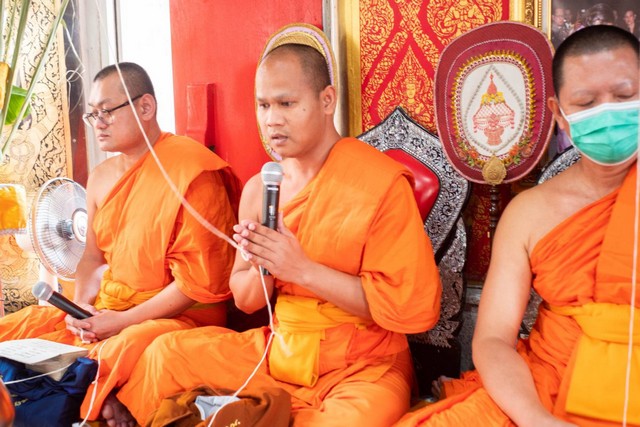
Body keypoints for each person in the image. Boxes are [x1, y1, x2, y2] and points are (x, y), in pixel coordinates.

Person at [110, 23, 442, 427]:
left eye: (286, 104)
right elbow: (248, 301)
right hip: (277, 351)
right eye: (263, 105)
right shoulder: (260, 189)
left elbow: (410, 308)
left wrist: (300, 269)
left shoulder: (378, 184)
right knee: (166, 356)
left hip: (362, 366)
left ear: (326, 100)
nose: (272, 120)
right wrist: (263, 266)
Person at [394, 24, 640, 426]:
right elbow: (492, 339)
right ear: (559, 114)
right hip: (547, 384)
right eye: (586, 102)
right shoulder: (530, 212)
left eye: (625, 96)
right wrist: (536, 419)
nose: (607, 113)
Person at [0, 62, 240, 425]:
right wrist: (81, 307)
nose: (98, 123)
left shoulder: (192, 172)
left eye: (107, 111)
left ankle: (101, 401)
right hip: (108, 310)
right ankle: (91, 396)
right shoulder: (100, 178)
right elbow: (92, 258)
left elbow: (199, 284)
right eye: (92, 114)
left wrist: (123, 321)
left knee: (125, 347)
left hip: (176, 315)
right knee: (20, 327)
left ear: (145, 107)